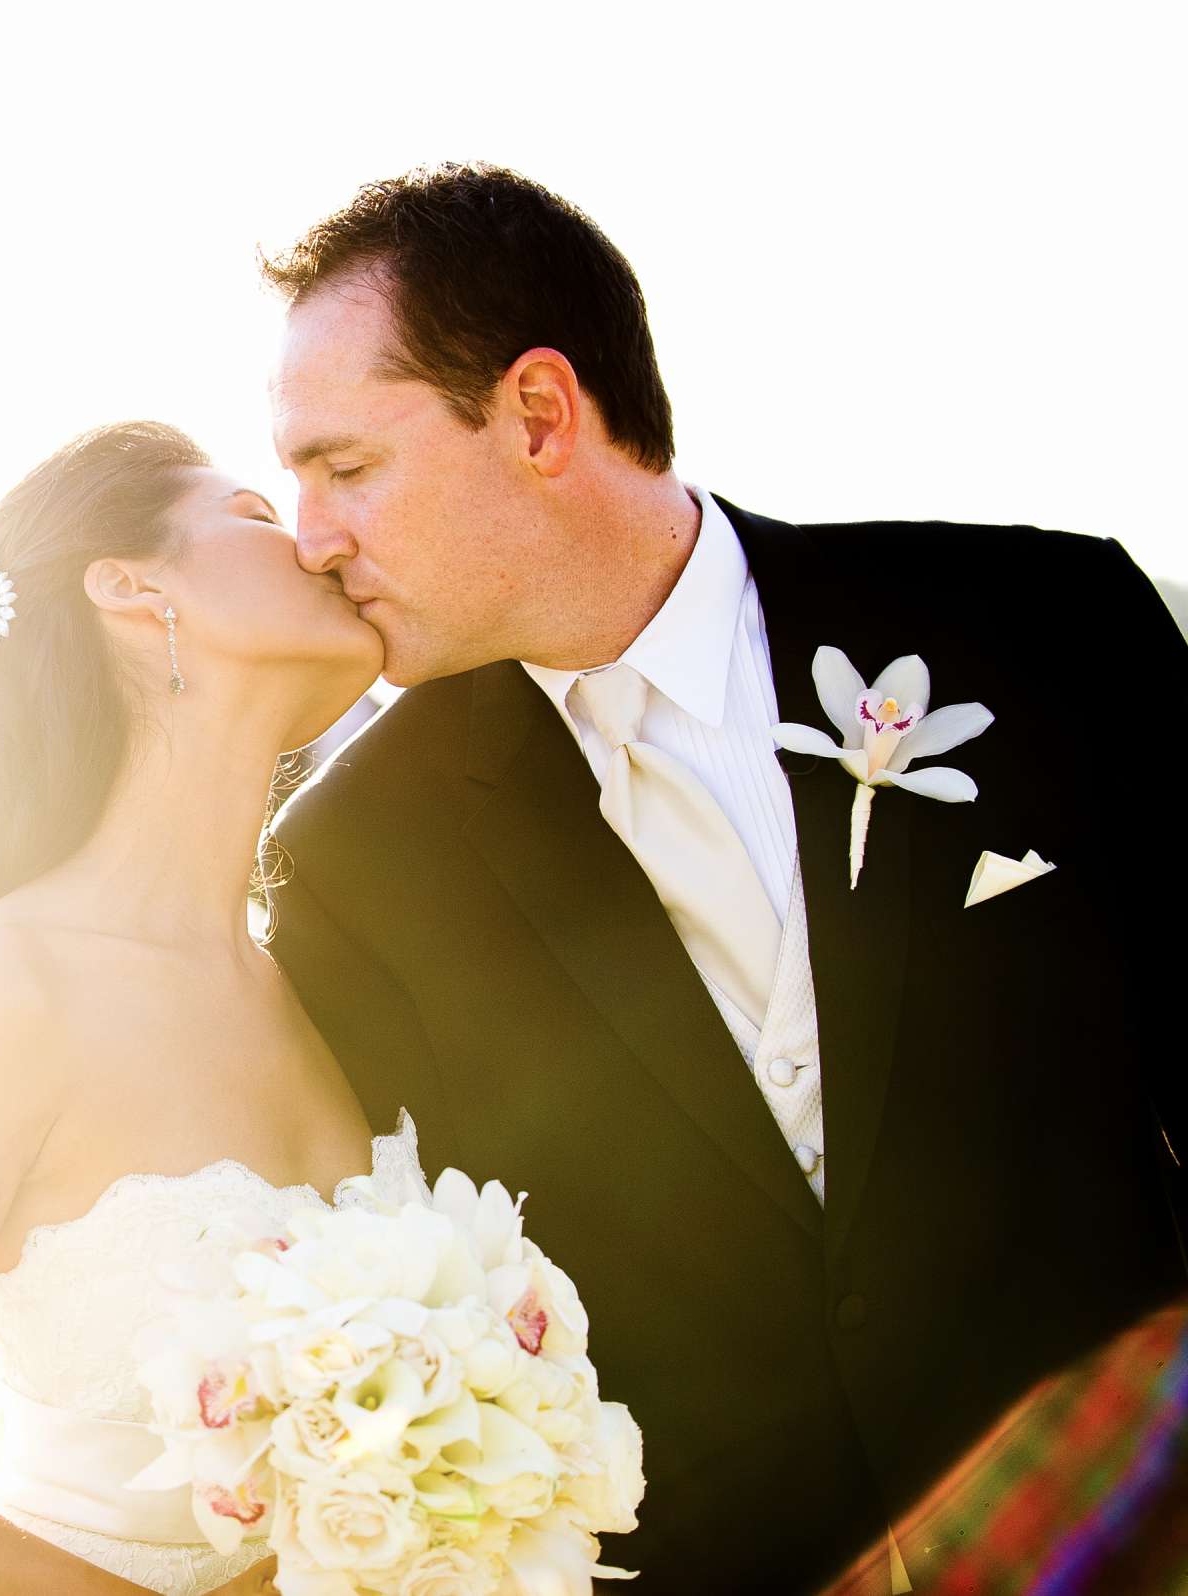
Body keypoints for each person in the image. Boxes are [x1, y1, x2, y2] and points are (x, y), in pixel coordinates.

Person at [262, 163, 1188, 1593]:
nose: (313, 539)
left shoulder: (1048, 629)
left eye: (346, 468)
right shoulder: (353, 864)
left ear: (541, 416)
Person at [0, 422, 396, 1594]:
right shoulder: (6, 995)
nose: (316, 539)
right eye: (254, 512)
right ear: (132, 588)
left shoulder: (326, 981)